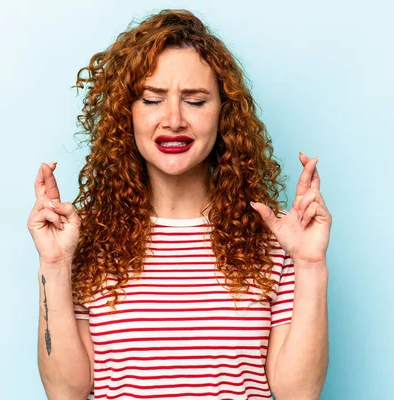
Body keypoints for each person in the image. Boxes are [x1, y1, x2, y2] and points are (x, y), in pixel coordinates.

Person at [27, 9, 332, 400]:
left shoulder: (273, 243)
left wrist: (309, 264)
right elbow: (66, 393)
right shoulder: (88, 244)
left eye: (195, 101)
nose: (173, 120)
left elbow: (298, 393)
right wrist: (54, 266)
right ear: (127, 114)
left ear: (224, 113)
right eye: (152, 99)